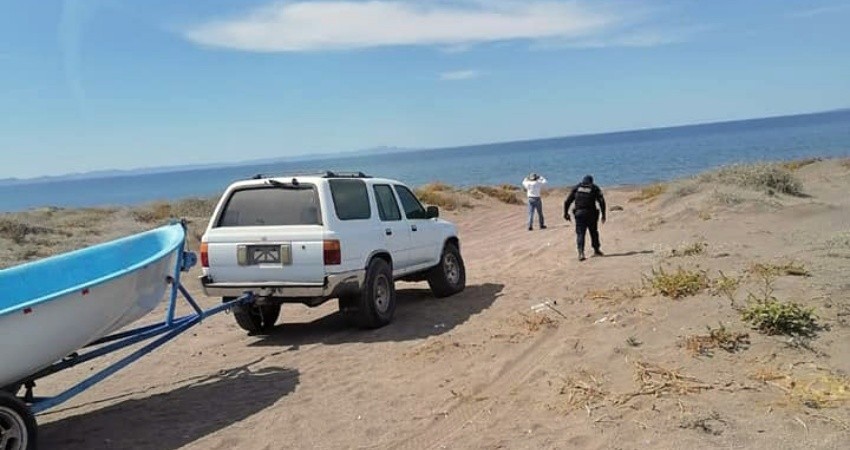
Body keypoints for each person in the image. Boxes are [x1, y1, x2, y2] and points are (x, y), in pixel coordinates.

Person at [563, 175, 606, 261]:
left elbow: (567, 201)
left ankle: (581, 253)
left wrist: (565, 213)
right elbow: (601, 201)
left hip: (579, 214)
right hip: (591, 214)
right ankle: (596, 250)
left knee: (580, 234)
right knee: (593, 232)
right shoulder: (594, 188)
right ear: (591, 181)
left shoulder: (577, 188)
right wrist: (603, 214)